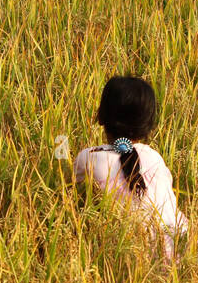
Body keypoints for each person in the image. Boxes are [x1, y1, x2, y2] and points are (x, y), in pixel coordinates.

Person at [73, 76, 188, 260]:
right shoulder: (155, 159)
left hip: (129, 256)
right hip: (178, 253)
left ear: (101, 116)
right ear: (147, 126)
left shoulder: (88, 159)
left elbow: (71, 200)